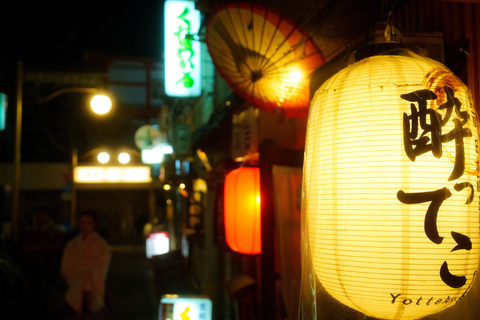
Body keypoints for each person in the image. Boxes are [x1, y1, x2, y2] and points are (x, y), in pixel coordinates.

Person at [60, 210, 111, 319]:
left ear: (94, 225)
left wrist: (86, 274)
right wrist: (83, 271)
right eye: (82, 223)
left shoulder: (101, 244)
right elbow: (67, 266)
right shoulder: (72, 244)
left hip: (93, 286)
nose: (85, 226)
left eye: (89, 223)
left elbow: (101, 266)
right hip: (75, 285)